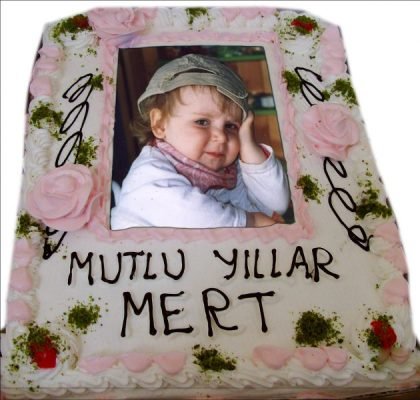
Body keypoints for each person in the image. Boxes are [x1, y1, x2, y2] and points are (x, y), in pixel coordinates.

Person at [111, 54, 290, 229]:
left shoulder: (228, 172)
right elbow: (187, 214)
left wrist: (248, 144)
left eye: (231, 126)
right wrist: (251, 221)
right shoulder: (150, 172)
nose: (222, 136)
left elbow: (276, 205)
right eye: (202, 122)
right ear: (160, 124)